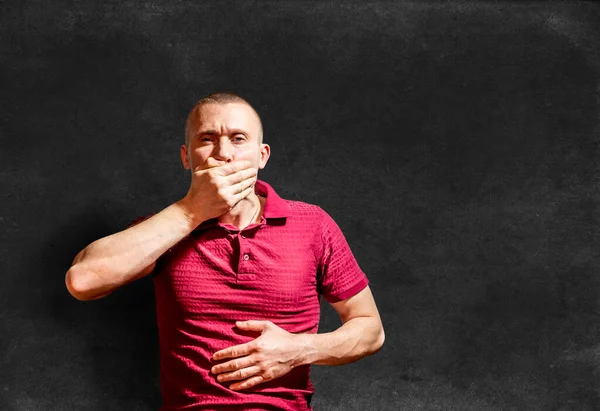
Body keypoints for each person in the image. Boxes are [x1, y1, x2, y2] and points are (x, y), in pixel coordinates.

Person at [65, 92, 385, 411]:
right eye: (207, 139)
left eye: (238, 138)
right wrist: (192, 211)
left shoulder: (313, 224)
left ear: (262, 155)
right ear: (186, 157)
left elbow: (370, 329)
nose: (223, 154)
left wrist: (299, 348)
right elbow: (81, 281)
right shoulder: (162, 230)